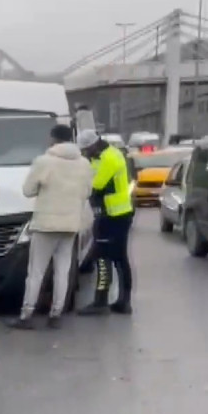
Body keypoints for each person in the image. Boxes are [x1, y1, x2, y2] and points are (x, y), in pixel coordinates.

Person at [7, 124, 93, 330]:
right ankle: (56, 314)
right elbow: (87, 192)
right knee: (63, 270)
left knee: (36, 271)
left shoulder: (44, 162)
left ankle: (26, 315)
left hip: (46, 224)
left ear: (53, 139)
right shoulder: (83, 163)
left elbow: (28, 190)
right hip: (71, 224)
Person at [76, 129, 135, 315]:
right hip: (112, 214)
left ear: (94, 144)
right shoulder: (102, 156)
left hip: (114, 215)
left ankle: (105, 302)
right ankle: (120, 302)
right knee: (112, 257)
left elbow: (95, 185)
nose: (85, 154)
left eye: (86, 150)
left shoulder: (109, 158)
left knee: (107, 257)